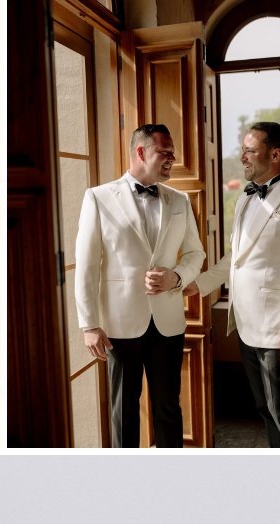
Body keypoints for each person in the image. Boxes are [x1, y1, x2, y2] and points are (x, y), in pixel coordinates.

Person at [185, 122, 280, 448]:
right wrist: (199, 284)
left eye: (250, 150)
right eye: (242, 149)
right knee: (266, 409)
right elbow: (235, 256)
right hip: (247, 326)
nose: (242, 157)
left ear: (275, 154)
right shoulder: (247, 197)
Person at [74, 123, 205, 447]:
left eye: (172, 153)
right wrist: (89, 324)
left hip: (168, 322)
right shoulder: (99, 198)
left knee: (168, 409)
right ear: (141, 152)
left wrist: (176, 277)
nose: (171, 159)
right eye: (165, 152)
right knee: (124, 410)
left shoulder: (180, 201)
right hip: (119, 324)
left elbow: (195, 253)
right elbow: (87, 265)